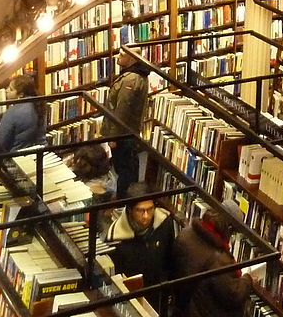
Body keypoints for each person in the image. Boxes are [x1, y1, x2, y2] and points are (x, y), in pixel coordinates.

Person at [106, 182, 177, 314]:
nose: (146, 215)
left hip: (158, 295)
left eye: (150, 209)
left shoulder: (164, 223)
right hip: (130, 300)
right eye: (140, 210)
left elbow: (170, 259)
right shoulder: (115, 238)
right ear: (130, 210)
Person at [172, 205, 253, 317]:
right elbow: (233, 294)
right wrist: (247, 279)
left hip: (185, 306)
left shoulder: (186, 233)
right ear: (228, 229)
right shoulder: (219, 261)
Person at [101, 47, 151, 197]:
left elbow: (122, 109)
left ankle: (124, 200)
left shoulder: (131, 79)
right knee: (129, 166)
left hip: (123, 133)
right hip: (128, 132)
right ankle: (130, 196)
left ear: (132, 58)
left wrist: (113, 137)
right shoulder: (135, 75)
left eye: (122, 54)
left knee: (124, 169)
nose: (118, 56)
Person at [0, 73, 44, 152]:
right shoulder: (38, 105)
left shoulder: (12, 112)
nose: (6, 90)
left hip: (16, 157)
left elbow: (1, 143)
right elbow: (41, 137)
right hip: (36, 152)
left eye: (11, 89)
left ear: (21, 94)